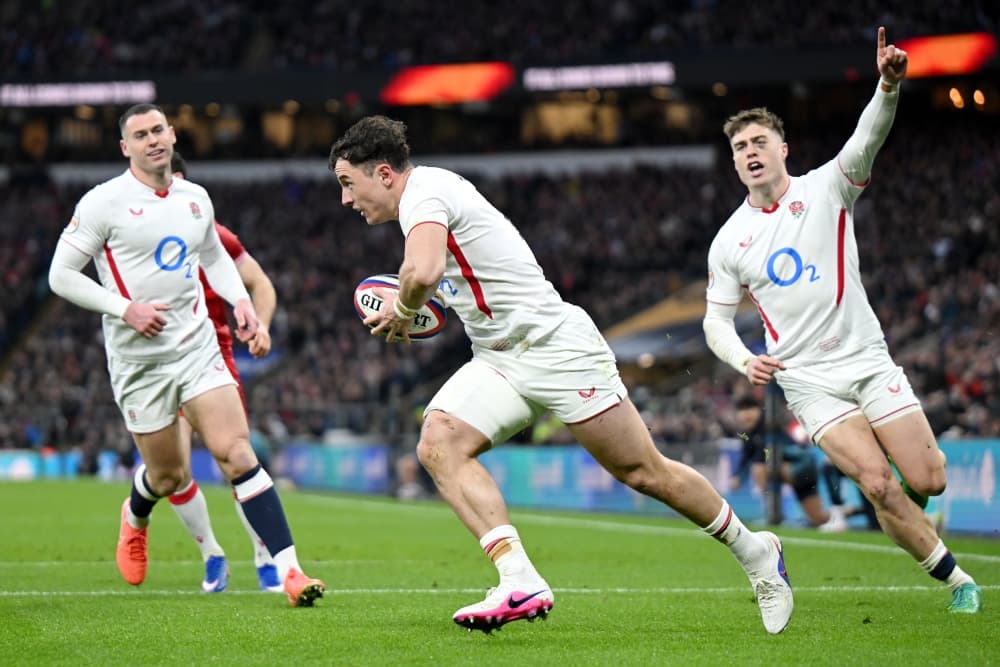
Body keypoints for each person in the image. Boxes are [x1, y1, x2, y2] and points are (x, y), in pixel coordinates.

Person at [329, 115, 794, 634]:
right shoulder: (424, 200)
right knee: (438, 442)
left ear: (385, 173)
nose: (346, 199)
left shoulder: (426, 192)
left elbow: (422, 274)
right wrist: (412, 302)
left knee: (643, 472)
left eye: (349, 183)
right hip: (498, 359)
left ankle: (755, 551)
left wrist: (401, 306)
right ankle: (519, 578)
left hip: (556, 347)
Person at [702, 27, 981, 613]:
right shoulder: (730, 240)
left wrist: (888, 85)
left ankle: (912, 497)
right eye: (738, 148)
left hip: (867, 358)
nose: (749, 152)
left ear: (784, 149)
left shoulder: (828, 187)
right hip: (808, 380)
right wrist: (742, 357)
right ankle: (958, 582)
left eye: (759, 141)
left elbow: (866, 139)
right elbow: (715, 322)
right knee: (875, 484)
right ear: (734, 162)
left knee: (928, 480)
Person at [48, 103, 324, 607]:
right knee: (169, 475)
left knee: (236, 452)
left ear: (173, 135)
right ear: (125, 147)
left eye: (158, 130)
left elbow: (214, 258)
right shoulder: (102, 203)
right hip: (139, 363)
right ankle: (135, 514)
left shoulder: (196, 198)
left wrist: (240, 301)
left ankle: (289, 570)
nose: (152, 139)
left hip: (197, 349)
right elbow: (60, 276)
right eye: (140, 134)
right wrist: (124, 308)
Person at [162, 152, 283, 593]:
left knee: (236, 460)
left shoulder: (213, 235)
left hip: (213, 358)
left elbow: (261, 284)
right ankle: (212, 554)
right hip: (160, 363)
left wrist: (262, 324)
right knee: (172, 471)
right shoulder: (132, 235)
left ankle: (265, 557)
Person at [727, 395, 846, 531]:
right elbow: (746, 457)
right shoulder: (748, 434)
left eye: (749, 411)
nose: (745, 416)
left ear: (758, 410)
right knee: (818, 518)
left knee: (758, 468)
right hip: (801, 473)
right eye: (742, 412)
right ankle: (847, 512)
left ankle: (773, 514)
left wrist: (741, 477)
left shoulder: (768, 425)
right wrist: (738, 476)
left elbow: (762, 455)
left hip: (801, 467)